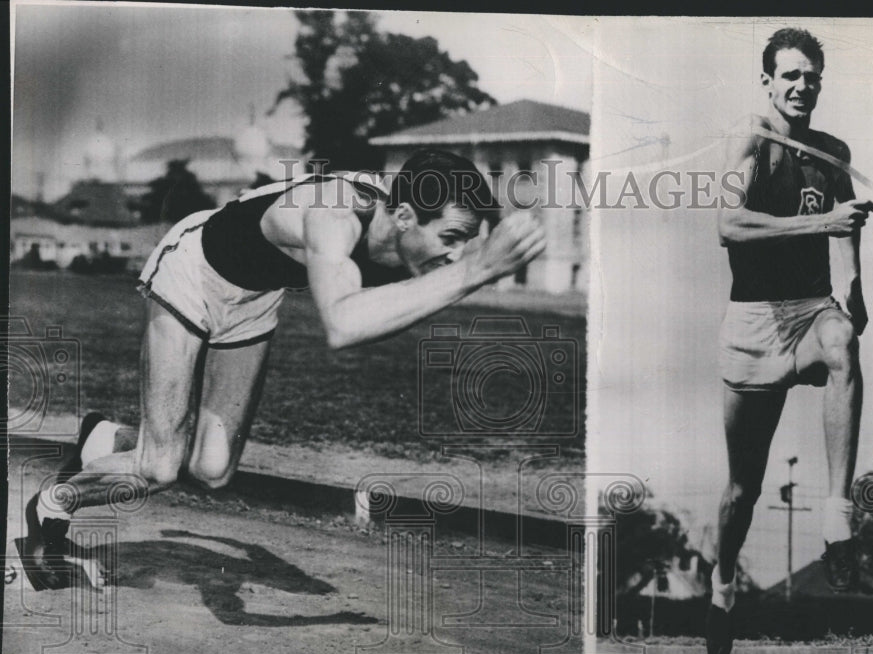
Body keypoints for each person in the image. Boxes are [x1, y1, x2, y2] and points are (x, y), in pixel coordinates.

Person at [18, 149, 545, 590]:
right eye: (450, 238)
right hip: (194, 269)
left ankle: (105, 439)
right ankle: (50, 509)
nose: (454, 256)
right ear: (405, 216)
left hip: (254, 296)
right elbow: (341, 324)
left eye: (464, 244)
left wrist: (471, 265)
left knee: (212, 471)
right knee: (159, 468)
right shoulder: (336, 216)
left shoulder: (403, 228)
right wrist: (477, 270)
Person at [706, 28, 873, 654]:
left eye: (812, 77)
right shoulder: (750, 138)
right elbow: (728, 226)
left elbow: (847, 223)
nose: (802, 86)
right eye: (791, 76)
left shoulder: (832, 151)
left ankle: (837, 517)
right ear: (769, 82)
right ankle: (722, 590)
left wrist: (854, 286)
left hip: (809, 312)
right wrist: (820, 223)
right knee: (740, 492)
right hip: (752, 323)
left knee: (842, 345)